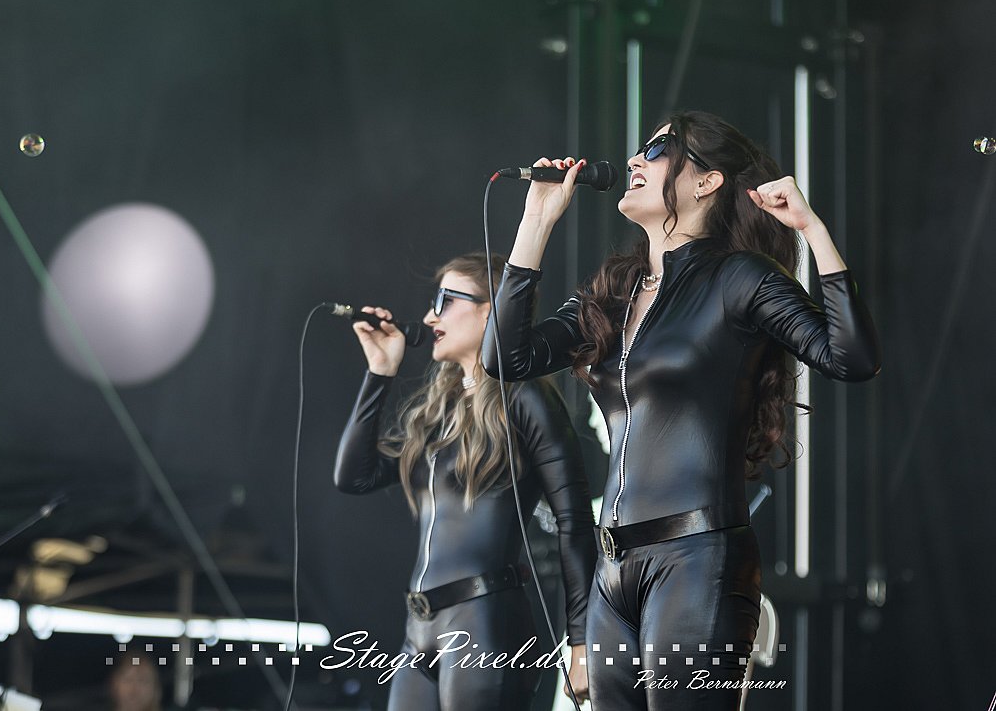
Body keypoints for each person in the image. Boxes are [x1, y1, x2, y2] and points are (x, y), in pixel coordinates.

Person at [483, 110, 880, 710]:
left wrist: (811, 230)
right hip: (612, 573)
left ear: (706, 181)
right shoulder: (613, 292)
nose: (634, 160)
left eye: (658, 149)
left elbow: (851, 357)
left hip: (697, 560)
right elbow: (505, 358)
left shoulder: (739, 278)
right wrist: (536, 222)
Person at [334, 251, 597, 710]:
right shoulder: (441, 410)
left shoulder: (526, 398)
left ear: (491, 310)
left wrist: (582, 642)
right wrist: (379, 372)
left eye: (445, 300)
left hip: (484, 622)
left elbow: (574, 521)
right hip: (419, 628)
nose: (429, 316)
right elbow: (353, 477)